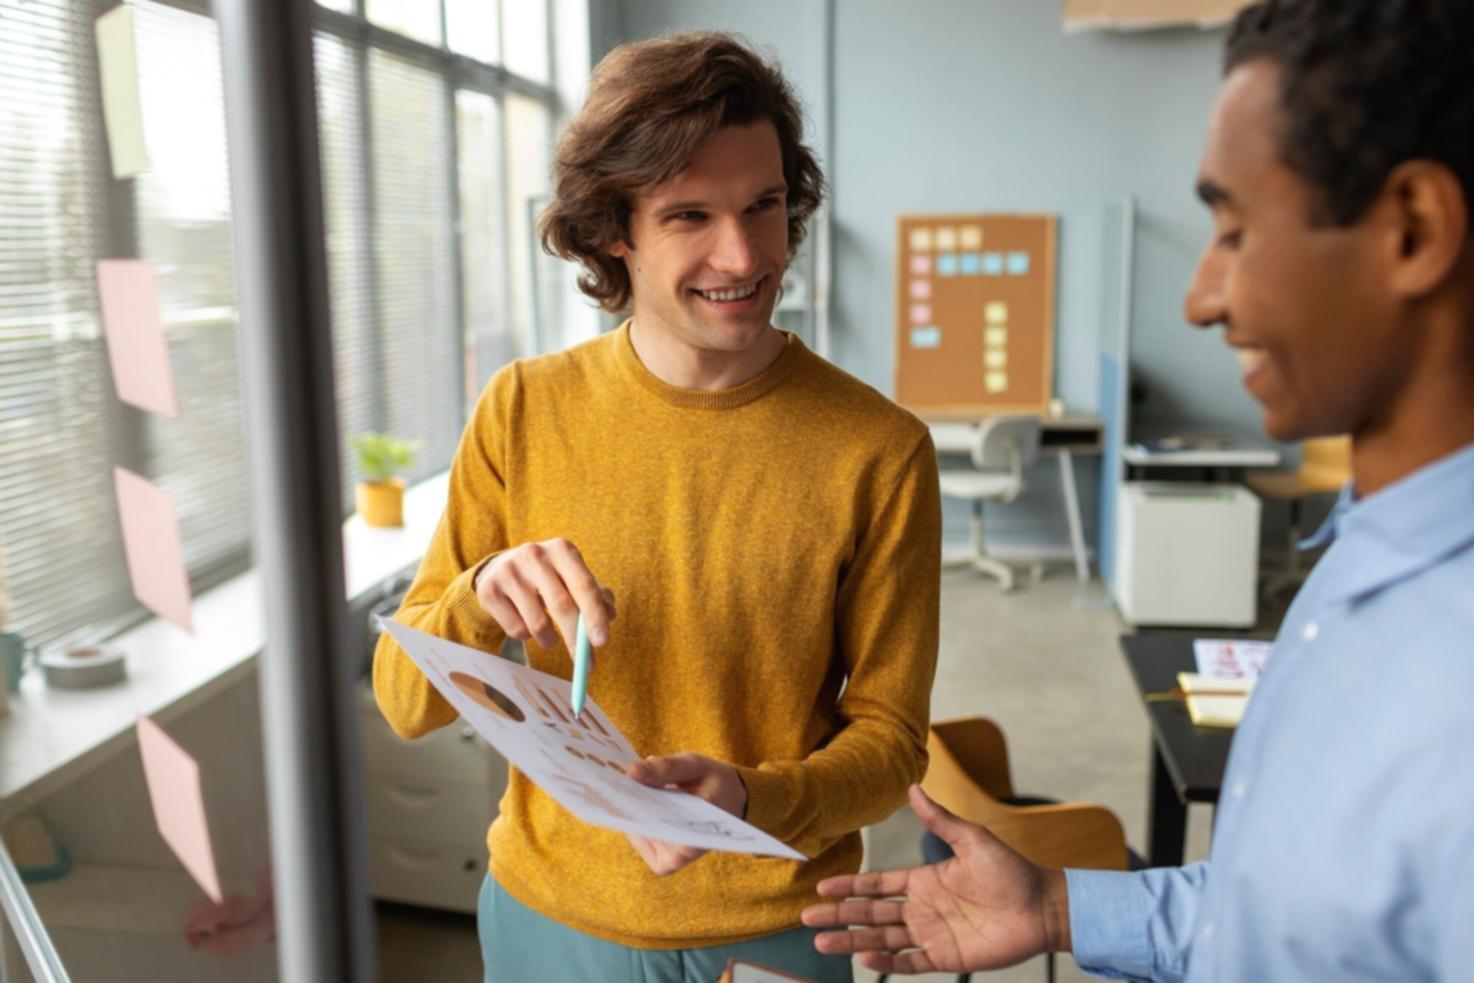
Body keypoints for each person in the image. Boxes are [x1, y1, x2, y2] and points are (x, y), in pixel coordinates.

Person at [801, 1, 1474, 980]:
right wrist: (1056, 901)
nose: (1202, 296)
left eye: (1235, 231)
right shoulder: (1359, 557)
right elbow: (1281, 912)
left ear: (1411, 229)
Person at [373, 32, 942, 983]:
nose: (747, 252)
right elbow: (404, 700)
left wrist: (750, 801)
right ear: (613, 232)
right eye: (691, 215)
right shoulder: (523, 409)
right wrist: (482, 597)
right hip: (546, 920)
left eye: (765, 205)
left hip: (776, 927)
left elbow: (893, 745)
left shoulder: (877, 449)